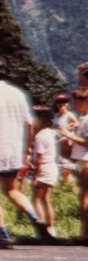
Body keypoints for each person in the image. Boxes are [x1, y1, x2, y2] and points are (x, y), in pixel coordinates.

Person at [0, 56, 53, 248]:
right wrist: (26, 150)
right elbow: (29, 124)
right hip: (14, 151)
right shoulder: (18, 94)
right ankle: (36, 219)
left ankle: (4, 235)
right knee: (12, 190)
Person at [58, 89, 88, 242]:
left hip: (85, 160)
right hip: (82, 159)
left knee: (85, 196)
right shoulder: (83, 119)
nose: (76, 104)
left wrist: (68, 135)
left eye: (79, 100)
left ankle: (85, 235)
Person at [32, 105, 60, 239]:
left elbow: (40, 159)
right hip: (52, 167)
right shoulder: (50, 132)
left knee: (37, 199)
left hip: (44, 169)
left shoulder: (39, 136)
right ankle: (51, 227)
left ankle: (42, 229)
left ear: (41, 119)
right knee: (47, 200)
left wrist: (36, 176)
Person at [54, 93, 79, 185]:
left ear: (67, 104)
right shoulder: (56, 116)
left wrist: (73, 126)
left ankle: (70, 184)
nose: (61, 104)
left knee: (67, 166)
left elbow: (77, 124)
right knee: (61, 165)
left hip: (66, 144)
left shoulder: (69, 115)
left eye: (64, 102)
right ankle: (66, 185)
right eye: (59, 102)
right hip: (57, 143)